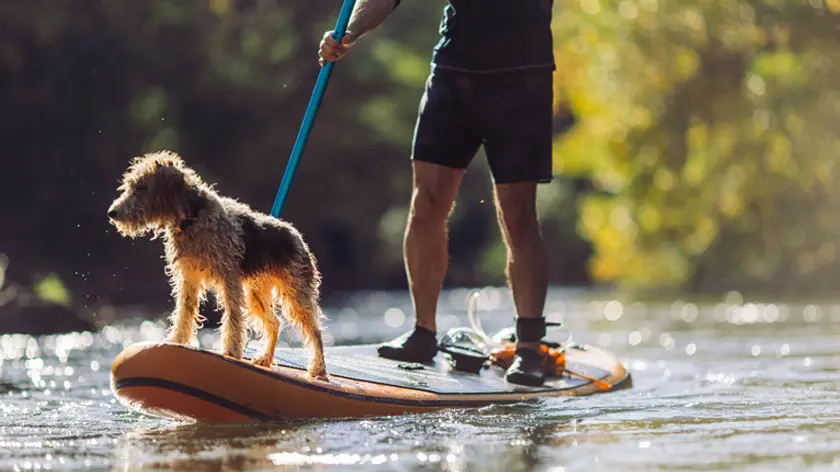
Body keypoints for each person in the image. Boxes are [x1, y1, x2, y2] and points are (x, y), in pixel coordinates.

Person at [318, 0, 555, 386]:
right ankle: (422, 333)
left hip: (521, 81)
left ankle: (529, 347)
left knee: (518, 214)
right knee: (426, 203)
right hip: (451, 76)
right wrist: (348, 32)